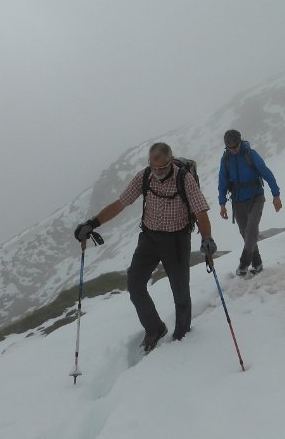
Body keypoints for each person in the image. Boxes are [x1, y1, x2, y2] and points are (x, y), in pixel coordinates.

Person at [74, 142, 218, 353]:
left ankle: (182, 335)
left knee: (180, 290)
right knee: (135, 285)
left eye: (162, 167)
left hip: (177, 240)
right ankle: (155, 328)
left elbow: (201, 211)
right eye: (154, 167)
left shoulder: (183, 178)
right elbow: (120, 203)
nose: (158, 172)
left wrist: (207, 238)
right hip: (149, 238)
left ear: (170, 161)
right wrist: (93, 223)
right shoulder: (144, 176)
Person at [218, 129, 282, 276]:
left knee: (252, 227)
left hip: (256, 196)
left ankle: (244, 262)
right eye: (230, 147)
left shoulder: (250, 154)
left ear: (240, 141)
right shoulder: (226, 160)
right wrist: (222, 204)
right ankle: (257, 263)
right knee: (245, 232)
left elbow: (266, 173)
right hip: (238, 200)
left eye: (235, 146)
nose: (233, 150)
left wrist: (276, 195)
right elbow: (222, 182)